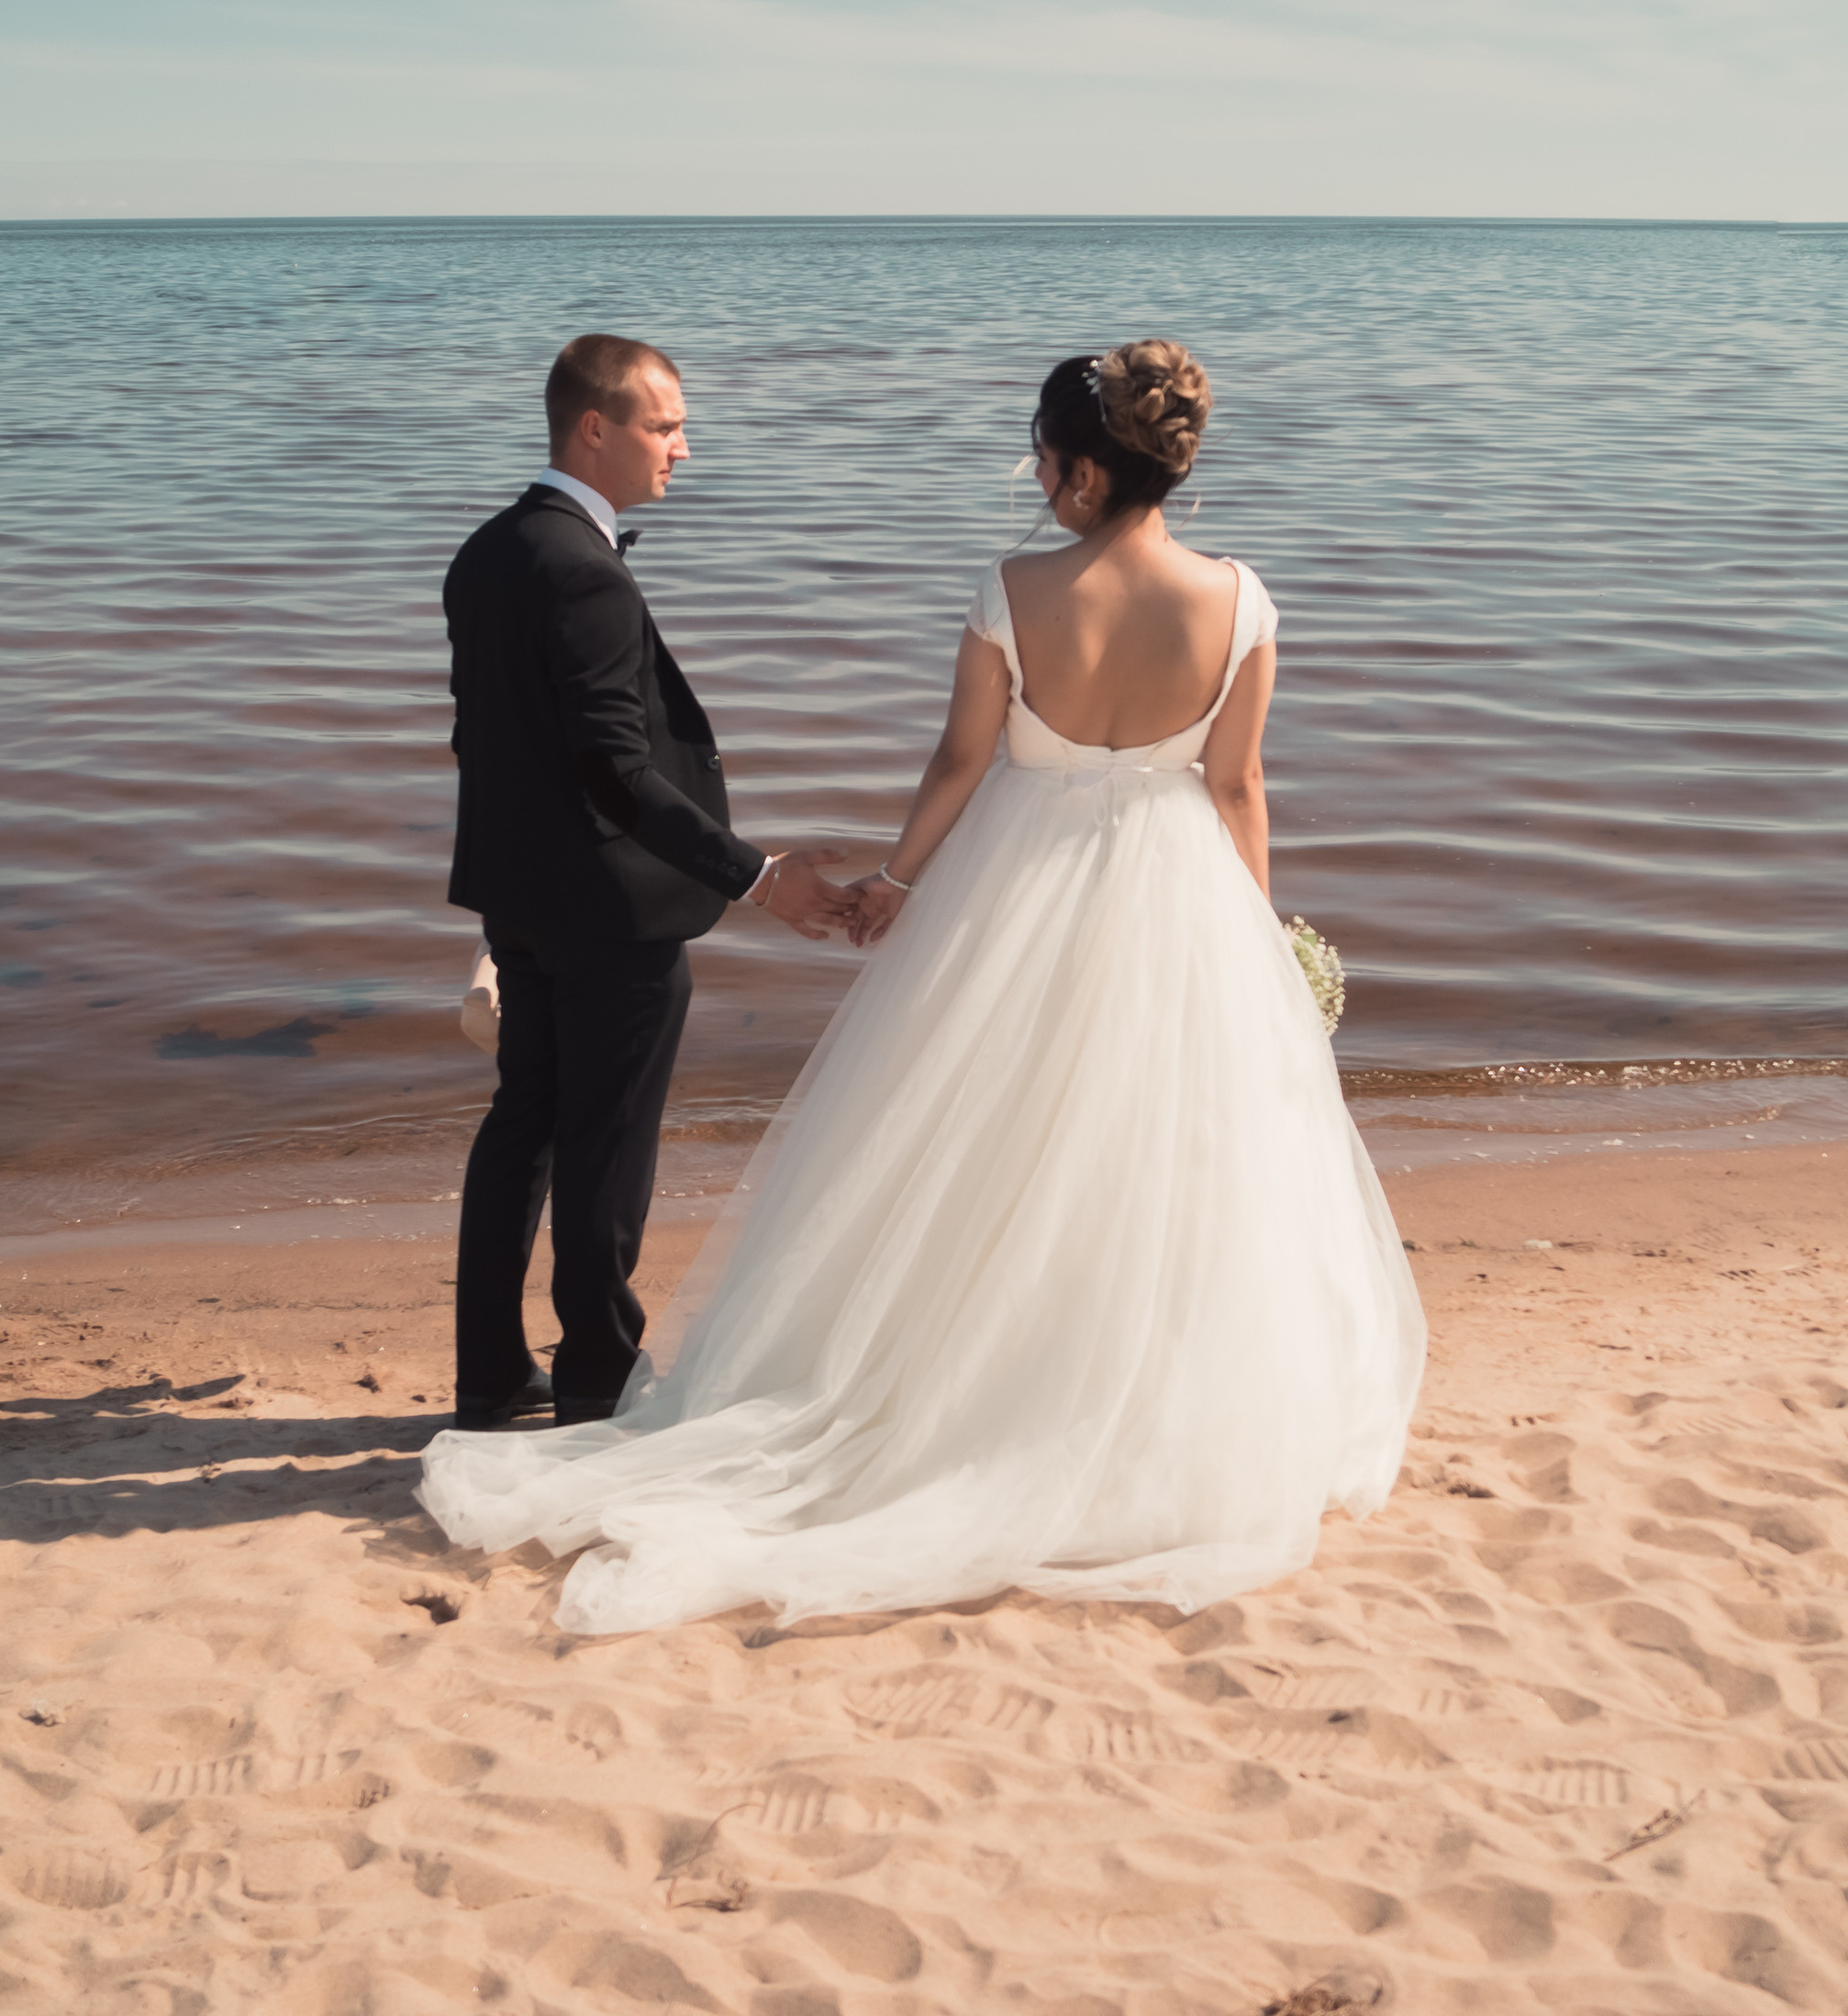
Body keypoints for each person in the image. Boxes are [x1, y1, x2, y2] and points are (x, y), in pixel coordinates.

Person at [421, 340, 1425, 1627]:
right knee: (1166, 1153)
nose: (1036, 479)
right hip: (1181, 900)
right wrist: (1258, 938)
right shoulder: (1242, 602)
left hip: (1018, 895)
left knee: (976, 1139)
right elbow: (1236, 787)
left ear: (1078, 472)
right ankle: (1137, 1403)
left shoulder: (1013, 590)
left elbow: (960, 760)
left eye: (1042, 459)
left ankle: (564, 1377)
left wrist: (893, 883)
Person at [440, 333, 855, 1431]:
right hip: (610, 913)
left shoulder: (488, 549)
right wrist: (758, 879)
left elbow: (481, 740)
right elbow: (616, 774)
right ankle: (596, 1374)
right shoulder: (585, 572)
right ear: (595, 428)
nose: (682, 445)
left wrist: (514, 890)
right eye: (664, 425)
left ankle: (488, 1372)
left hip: (522, 899)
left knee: (523, 1126)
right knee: (606, 1146)